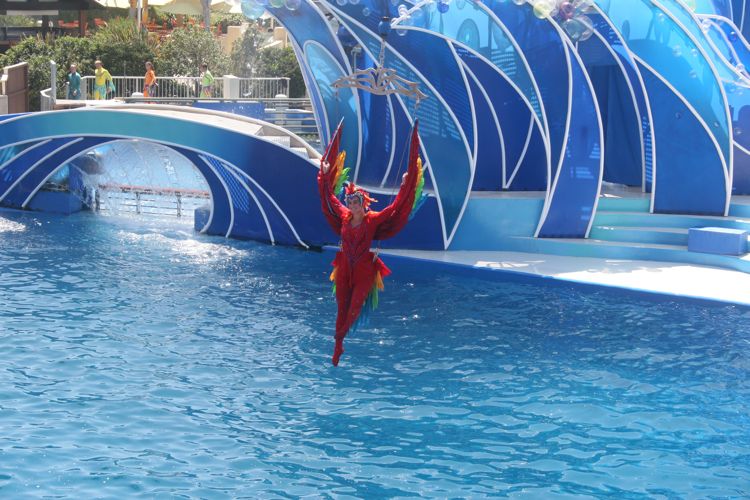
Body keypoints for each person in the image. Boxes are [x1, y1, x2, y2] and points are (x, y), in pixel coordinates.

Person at [318, 122, 423, 366]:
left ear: (363, 205)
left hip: (365, 268)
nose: (353, 206)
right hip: (344, 265)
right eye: (351, 202)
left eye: (356, 203)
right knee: (341, 305)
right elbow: (329, 197)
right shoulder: (343, 215)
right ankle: (338, 345)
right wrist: (324, 174)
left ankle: (340, 336)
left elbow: (396, 207)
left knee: (354, 306)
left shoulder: (373, 219)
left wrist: (407, 183)